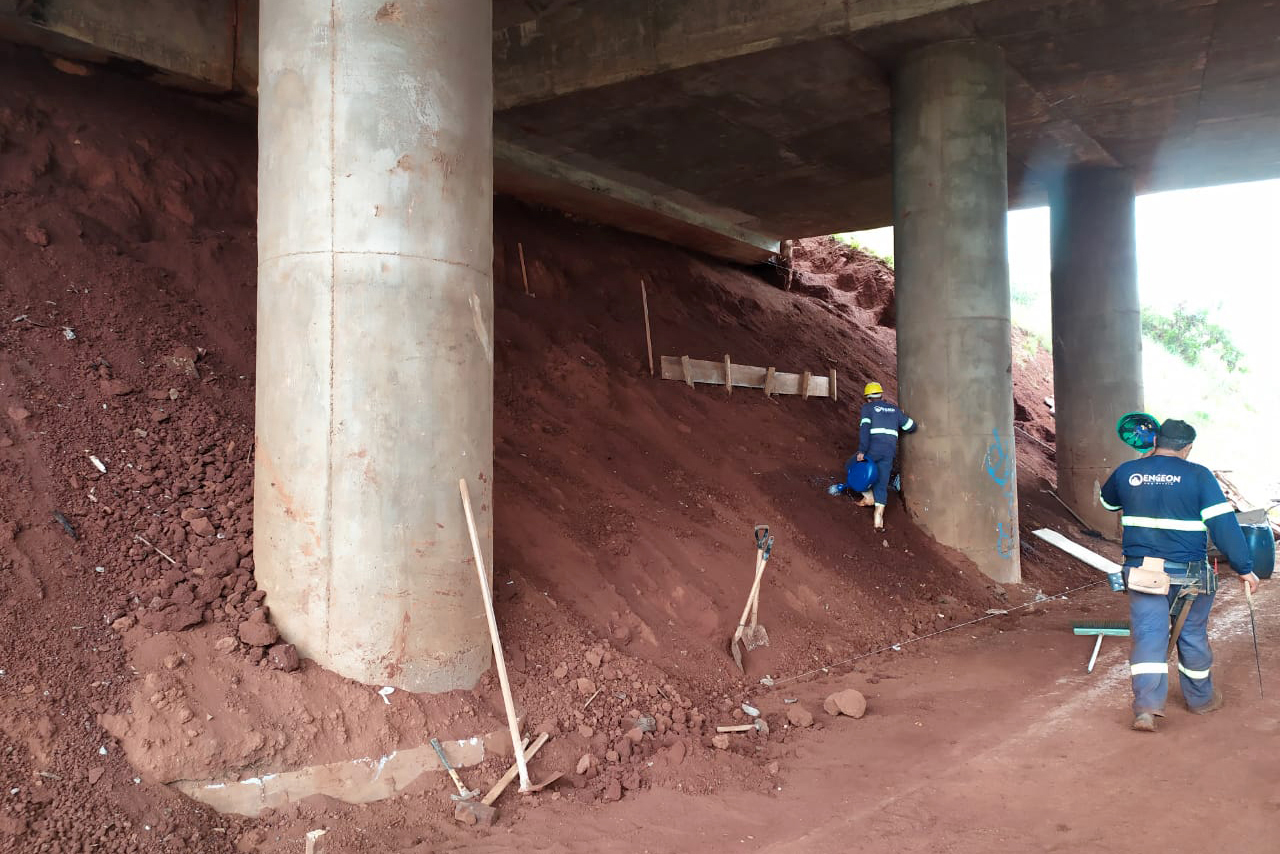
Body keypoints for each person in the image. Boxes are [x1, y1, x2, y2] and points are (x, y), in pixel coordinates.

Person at [1099, 418, 1259, 733]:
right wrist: (1244, 567)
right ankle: (1200, 700)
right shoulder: (1198, 476)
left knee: (1149, 635)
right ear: (1187, 447)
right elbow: (1224, 526)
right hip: (1190, 574)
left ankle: (1146, 709)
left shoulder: (1128, 471)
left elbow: (1107, 502)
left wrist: (1142, 471)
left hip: (1144, 571)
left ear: (1156, 440)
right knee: (1191, 634)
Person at [854, 381, 916, 531]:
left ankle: (868, 495)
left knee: (854, 467)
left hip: (873, 449)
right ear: (881, 395)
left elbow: (864, 431)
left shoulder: (867, 408)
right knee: (882, 482)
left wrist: (861, 450)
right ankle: (878, 520)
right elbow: (911, 427)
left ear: (868, 398)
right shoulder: (894, 410)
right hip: (889, 451)